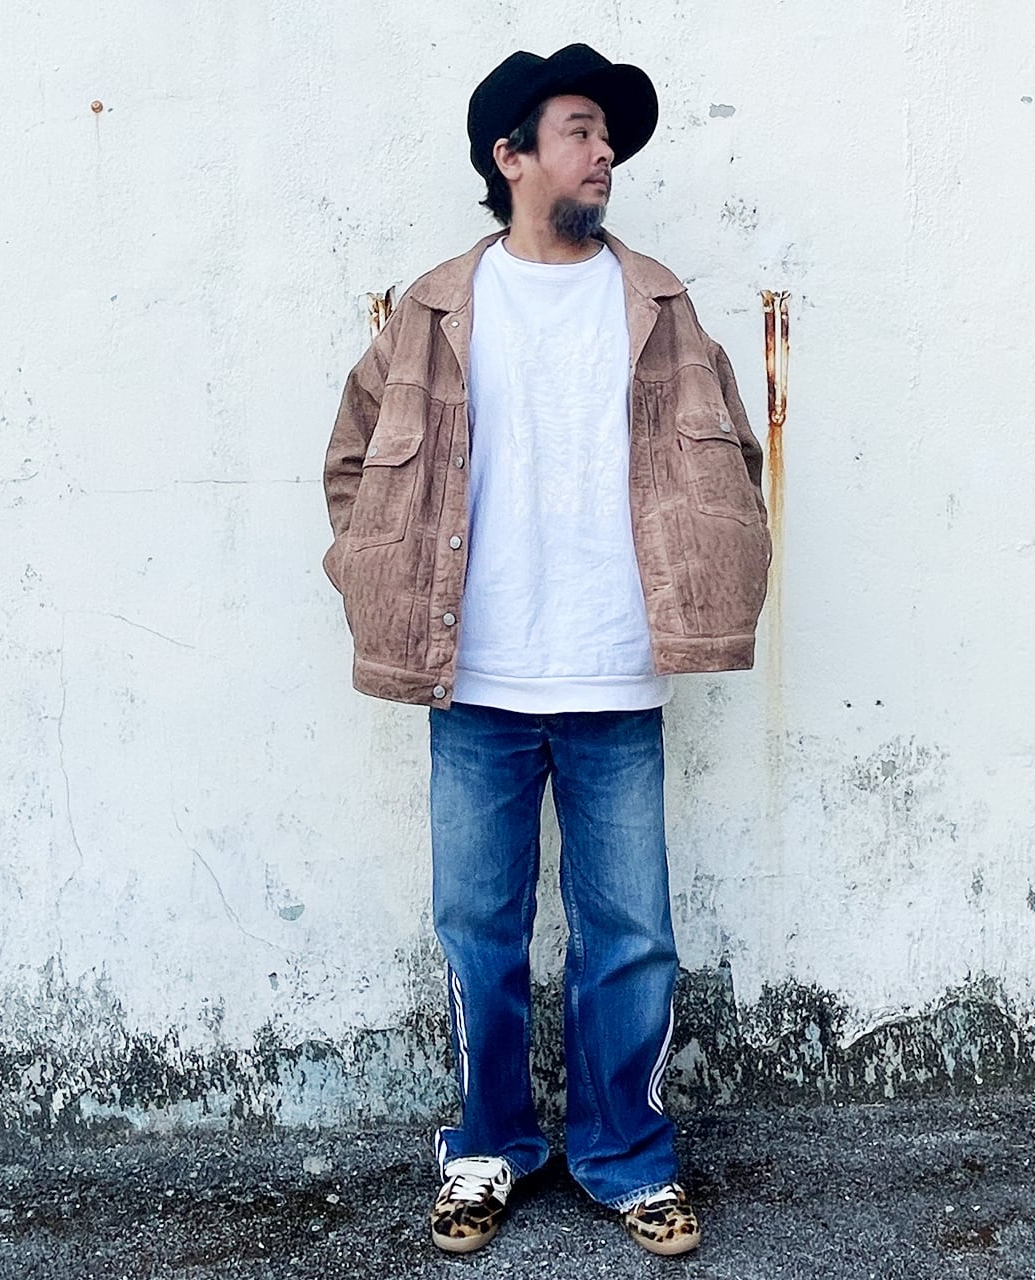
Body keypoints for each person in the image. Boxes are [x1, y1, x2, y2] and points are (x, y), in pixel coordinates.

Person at [321, 42, 771, 1257]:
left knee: (629, 934)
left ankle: (627, 1153)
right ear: (509, 155)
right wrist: (375, 572)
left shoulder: (658, 305)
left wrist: (705, 581)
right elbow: (353, 463)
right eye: (578, 130)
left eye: (606, 134)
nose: (602, 150)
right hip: (471, 675)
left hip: (615, 669)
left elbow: (733, 455)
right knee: (479, 930)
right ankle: (488, 1146)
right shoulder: (434, 311)